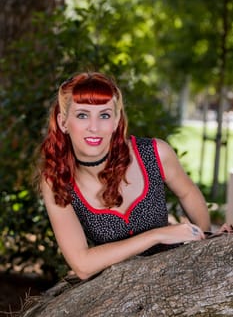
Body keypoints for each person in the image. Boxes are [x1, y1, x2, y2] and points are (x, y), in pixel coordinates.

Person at [37, 72, 230, 280]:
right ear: (64, 122)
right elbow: (83, 265)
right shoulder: (57, 181)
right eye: (82, 115)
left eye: (104, 115)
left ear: (116, 120)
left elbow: (188, 192)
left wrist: (203, 238)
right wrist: (158, 234)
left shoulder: (154, 153)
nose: (94, 127)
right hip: (117, 288)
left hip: (172, 272)